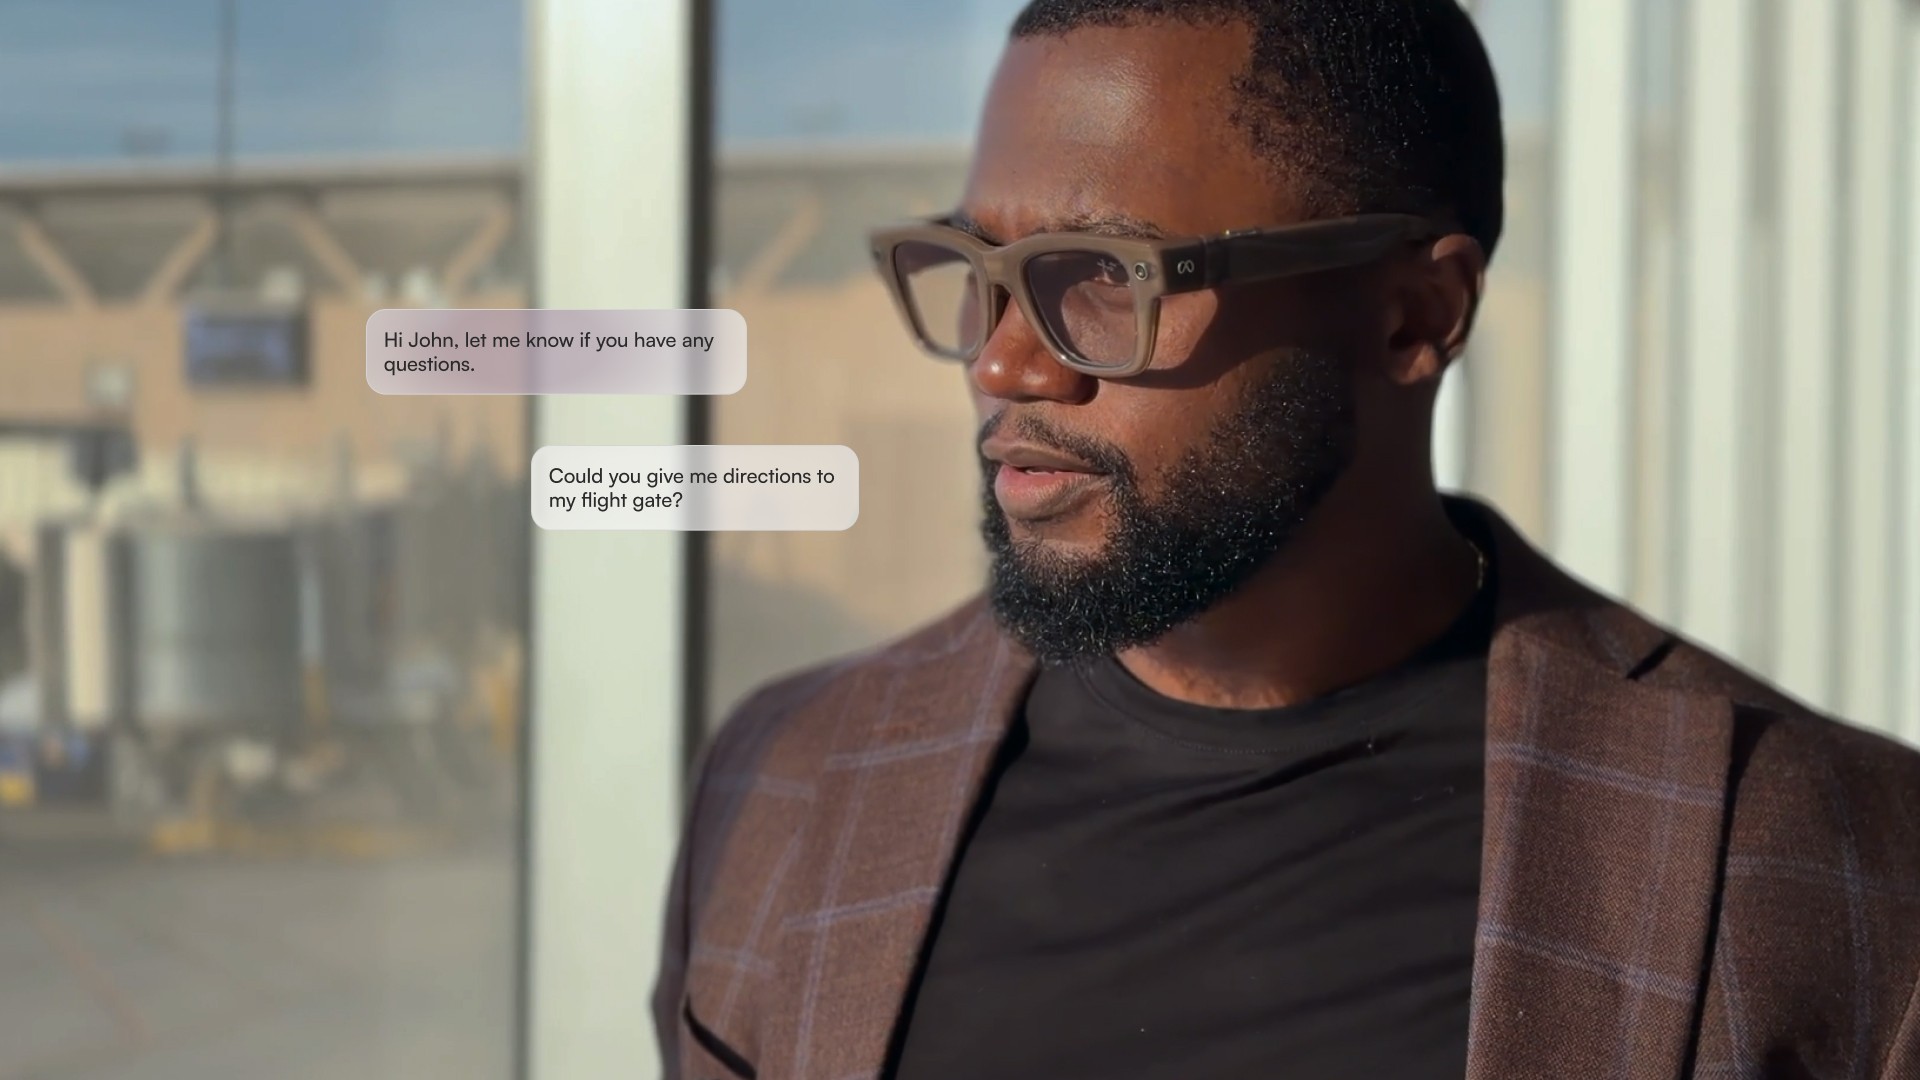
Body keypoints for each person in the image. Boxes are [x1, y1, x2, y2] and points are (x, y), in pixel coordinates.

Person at [654, 1, 1920, 1077]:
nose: (1002, 361)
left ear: (1413, 314)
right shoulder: (787, 782)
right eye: (976, 267)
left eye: (1102, 275)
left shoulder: (1826, 855)